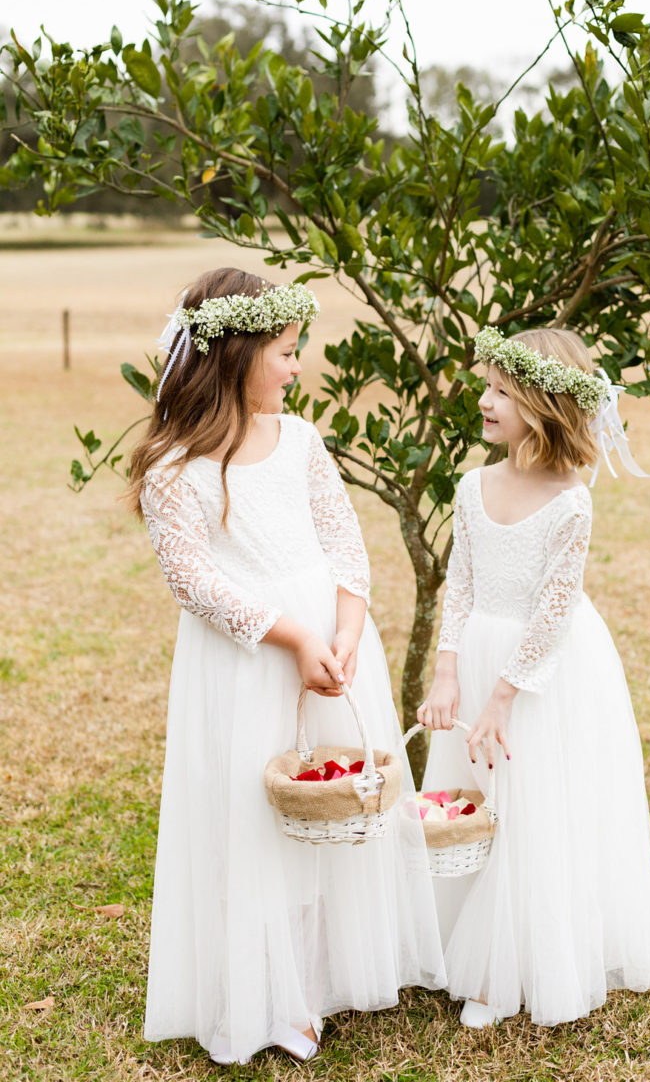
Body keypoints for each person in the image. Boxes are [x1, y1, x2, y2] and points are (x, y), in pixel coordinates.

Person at [127, 267, 444, 1066]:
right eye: (286, 353)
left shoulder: (300, 438)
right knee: (253, 817)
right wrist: (291, 638)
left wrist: (343, 629)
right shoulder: (174, 464)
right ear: (234, 356)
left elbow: (343, 540)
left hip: (331, 647)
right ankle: (265, 992)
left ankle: (319, 969)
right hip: (249, 658)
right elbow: (192, 580)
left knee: (330, 807)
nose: (298, 368)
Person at [417, 325, 650, 1029]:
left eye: (500, 390)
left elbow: (553, 612)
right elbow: (459, 584)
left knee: (529, 804)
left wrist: (502, 698)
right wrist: (447, 672)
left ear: (543, 402)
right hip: (478, 658)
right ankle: (463, 942)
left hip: (541, 672)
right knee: (475, 801)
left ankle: (508, 969)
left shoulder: (571, 500)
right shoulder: (472, 486)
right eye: (485, 386)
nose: (484, 401)